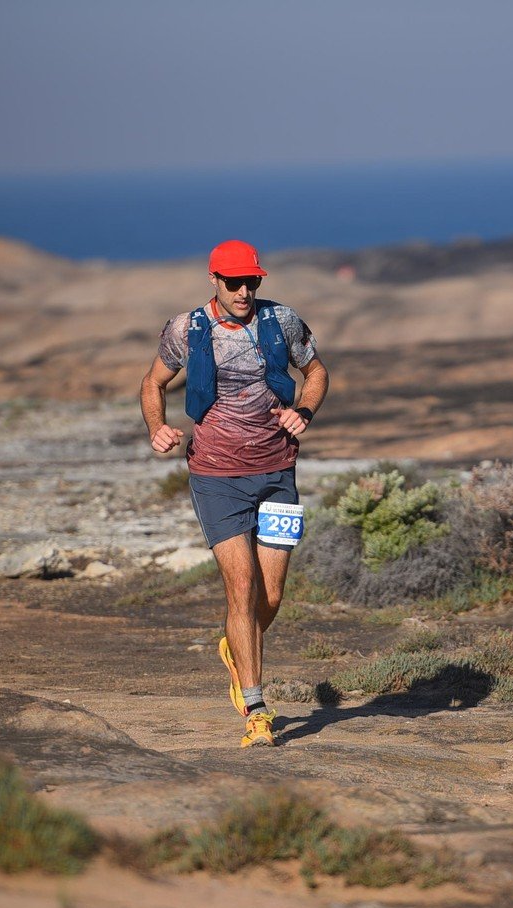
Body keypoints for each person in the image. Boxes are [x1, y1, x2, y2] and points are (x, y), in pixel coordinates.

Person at [139, 239, 329, 748]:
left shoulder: (282, 321)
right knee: (240, 589)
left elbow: (316, 373)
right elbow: (152, 383)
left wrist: (303, 412)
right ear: (214, 280)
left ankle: (236, 644)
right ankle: (257, 710)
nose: (245, 291)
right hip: (216, 477)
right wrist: (157, 426)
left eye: (253, 282)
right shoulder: (186, 329)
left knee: (271, 597)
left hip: (277, 473)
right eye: (234, 282)